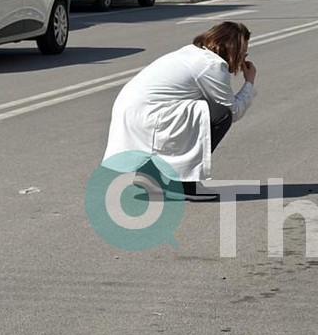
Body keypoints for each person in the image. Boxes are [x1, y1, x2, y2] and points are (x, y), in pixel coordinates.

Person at [102, 21, 257, 201]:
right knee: (220, 115)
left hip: (132, 112)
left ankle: (151, 174)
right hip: (148, 115)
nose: (243, 58)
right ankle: (183, 183)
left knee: (201, 108)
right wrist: (249, 82)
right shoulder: (212, 66)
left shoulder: (192, 53)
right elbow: (233, 111)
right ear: (232, 50)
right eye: (243, 53)